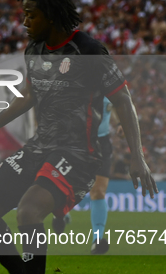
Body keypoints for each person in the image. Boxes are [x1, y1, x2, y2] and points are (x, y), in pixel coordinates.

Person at [0, 0, 157, 274]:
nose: (24, 21)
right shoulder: (34, 50)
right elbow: (29, 94)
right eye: (23, 14)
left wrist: (137, 157)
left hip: (79, 152)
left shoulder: (89, 50)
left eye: (31, 14)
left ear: (51, 15)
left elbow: (124, 102)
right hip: (40, 146)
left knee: (28, 213)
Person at [52, 98, 125, 254]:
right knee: (67, 183)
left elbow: (118, 103)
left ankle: (97, 240)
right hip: (76, 140)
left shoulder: (109, 81)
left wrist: (119, 123)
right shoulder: (77, 79)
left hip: (101, 142)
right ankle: (60, 213)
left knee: (98, 191)